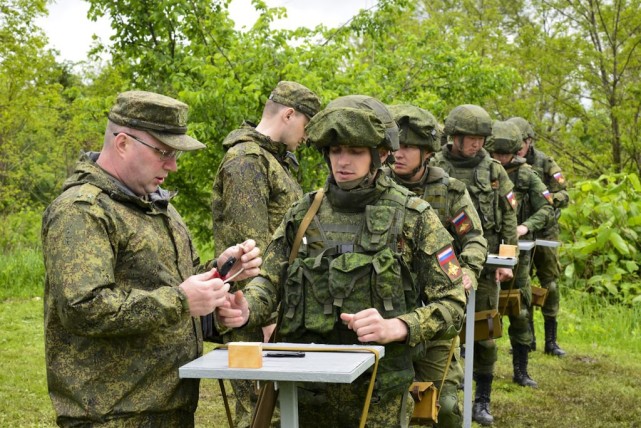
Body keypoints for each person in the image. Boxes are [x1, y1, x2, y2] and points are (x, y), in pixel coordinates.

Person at [217, 96, 466, 427]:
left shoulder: (413, 218)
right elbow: (270, 281)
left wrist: (399, 326)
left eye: (355, 151)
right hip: (303, 393)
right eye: (336, 151)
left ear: (379, 154)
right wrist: (246, 308)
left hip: (377, 400)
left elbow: (452, 303)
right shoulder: (303, 214)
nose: (343, 161)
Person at [42, 90, 262, 427]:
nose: (172, 166)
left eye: (174, 154)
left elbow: (174, 291)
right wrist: (182, 300)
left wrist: (220, 278)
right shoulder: (83, 210)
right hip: (111, 416)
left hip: (170, 408)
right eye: (163, 152)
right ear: (122, 143)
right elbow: (82, 308)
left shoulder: (160, 208)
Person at [211, 80, 320, 427]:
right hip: (252, 314)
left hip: (275, 305)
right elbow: (248, 248)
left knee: (281, 410)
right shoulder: (246, 160)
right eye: (306, 125)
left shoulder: (276, 161)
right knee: (259, 416)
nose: (306, 136)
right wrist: (265, 314)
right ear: (289, 115)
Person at [386, 103, 488, 428]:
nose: (398, 153)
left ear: (427, 151)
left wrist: (468, 272)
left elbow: (473, 238)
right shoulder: (373, 190)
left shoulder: (449, 192)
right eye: (394, 145)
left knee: (441, 407)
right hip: (385, 315)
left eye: (409, 146)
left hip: (435, 314)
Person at [431, 104, 517, 426]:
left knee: (485, 333)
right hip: (441, 264)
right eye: (470, 138)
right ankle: (438, 396)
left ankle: (482, 399)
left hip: (483, 264)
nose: (476, 145)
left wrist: (507, 260)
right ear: (454, 136)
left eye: (481, 138)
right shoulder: (435, 165)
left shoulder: (495, 171)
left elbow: (508, 217)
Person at [485, 120, 554, 388]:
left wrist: (526, 226)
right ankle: (477, 371)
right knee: (479, 312)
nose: (500, 160)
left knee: (520, 310)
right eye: (496, 154)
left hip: (519, 255)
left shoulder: (526, 175)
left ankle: (521, 369)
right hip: (484, 252)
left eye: (505, 155)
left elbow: (547, 207)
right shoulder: (482, 171)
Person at [508, 116, 570, 357]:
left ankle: (551, 340)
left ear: (529, 141)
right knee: (523, 285)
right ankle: (528, 338)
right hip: (520, 232)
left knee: (550, 283)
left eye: (521, 143)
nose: (517, 148)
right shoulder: (507, 165)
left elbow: (563, 193)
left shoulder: (545, 162)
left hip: (544, 231)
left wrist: (546, 201)